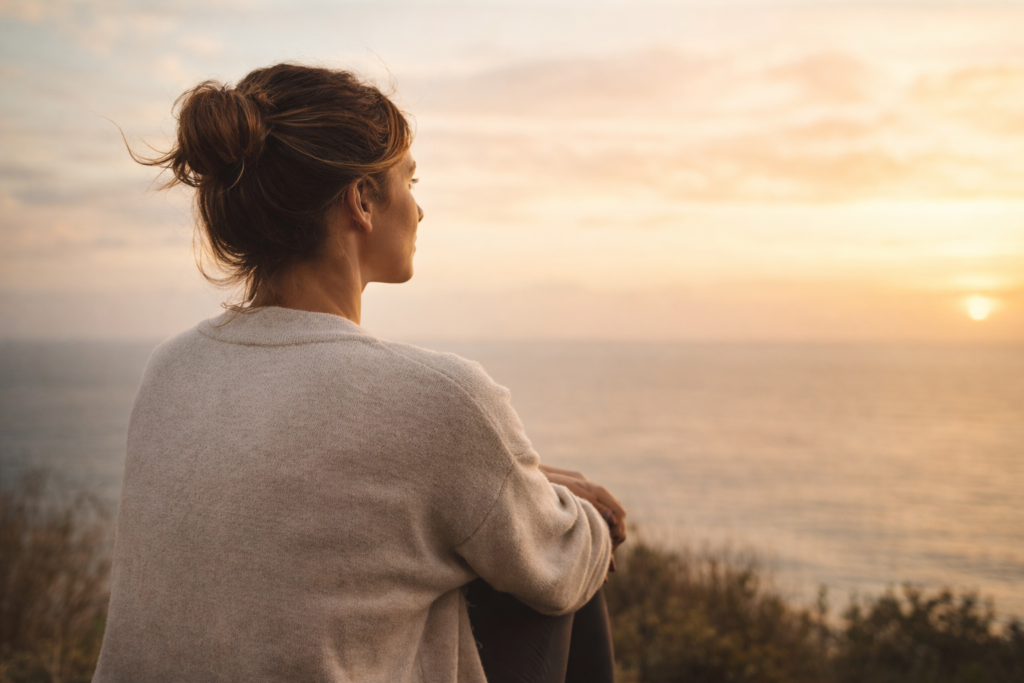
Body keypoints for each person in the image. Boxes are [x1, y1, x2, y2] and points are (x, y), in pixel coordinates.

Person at [94, 63, 627, 683]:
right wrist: (577, 512)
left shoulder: (171, 369)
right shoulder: (440, 399)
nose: (421, 210)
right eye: (410, 180)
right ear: (363, 200)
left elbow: (327, 481)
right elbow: (560, 564)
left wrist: (515, 482)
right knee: (548, 574)